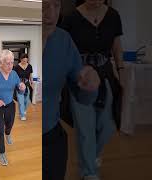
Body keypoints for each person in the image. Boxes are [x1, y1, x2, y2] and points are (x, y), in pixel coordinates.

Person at [60, 0, 124, 179]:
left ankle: (92, 156)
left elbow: (117, 46)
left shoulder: (113, 15)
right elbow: (65, 49)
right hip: (80, 78)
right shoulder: (71, 18)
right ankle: (89, 173)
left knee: (108, 125)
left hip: (105, 75)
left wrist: (121, 71)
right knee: (85, 129)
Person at [43, 0, 100, 179]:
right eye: (43, 6)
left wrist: (90, 85)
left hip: (51, 138)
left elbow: (82, 95)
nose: (51, 13)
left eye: (56, 5)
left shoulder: (63, 40)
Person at [13, 54, 33, 120]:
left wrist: (31, 82)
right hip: (20, 85)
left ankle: (23, 110)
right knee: (21, 100)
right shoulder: (16, 67)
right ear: (21, 60)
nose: (25, 62)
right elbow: (15, 77)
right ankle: (22, 115)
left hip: (27, 84)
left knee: (27, 100)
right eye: (23, 61)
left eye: (26, 61)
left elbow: (30, 75)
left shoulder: (29, 66)